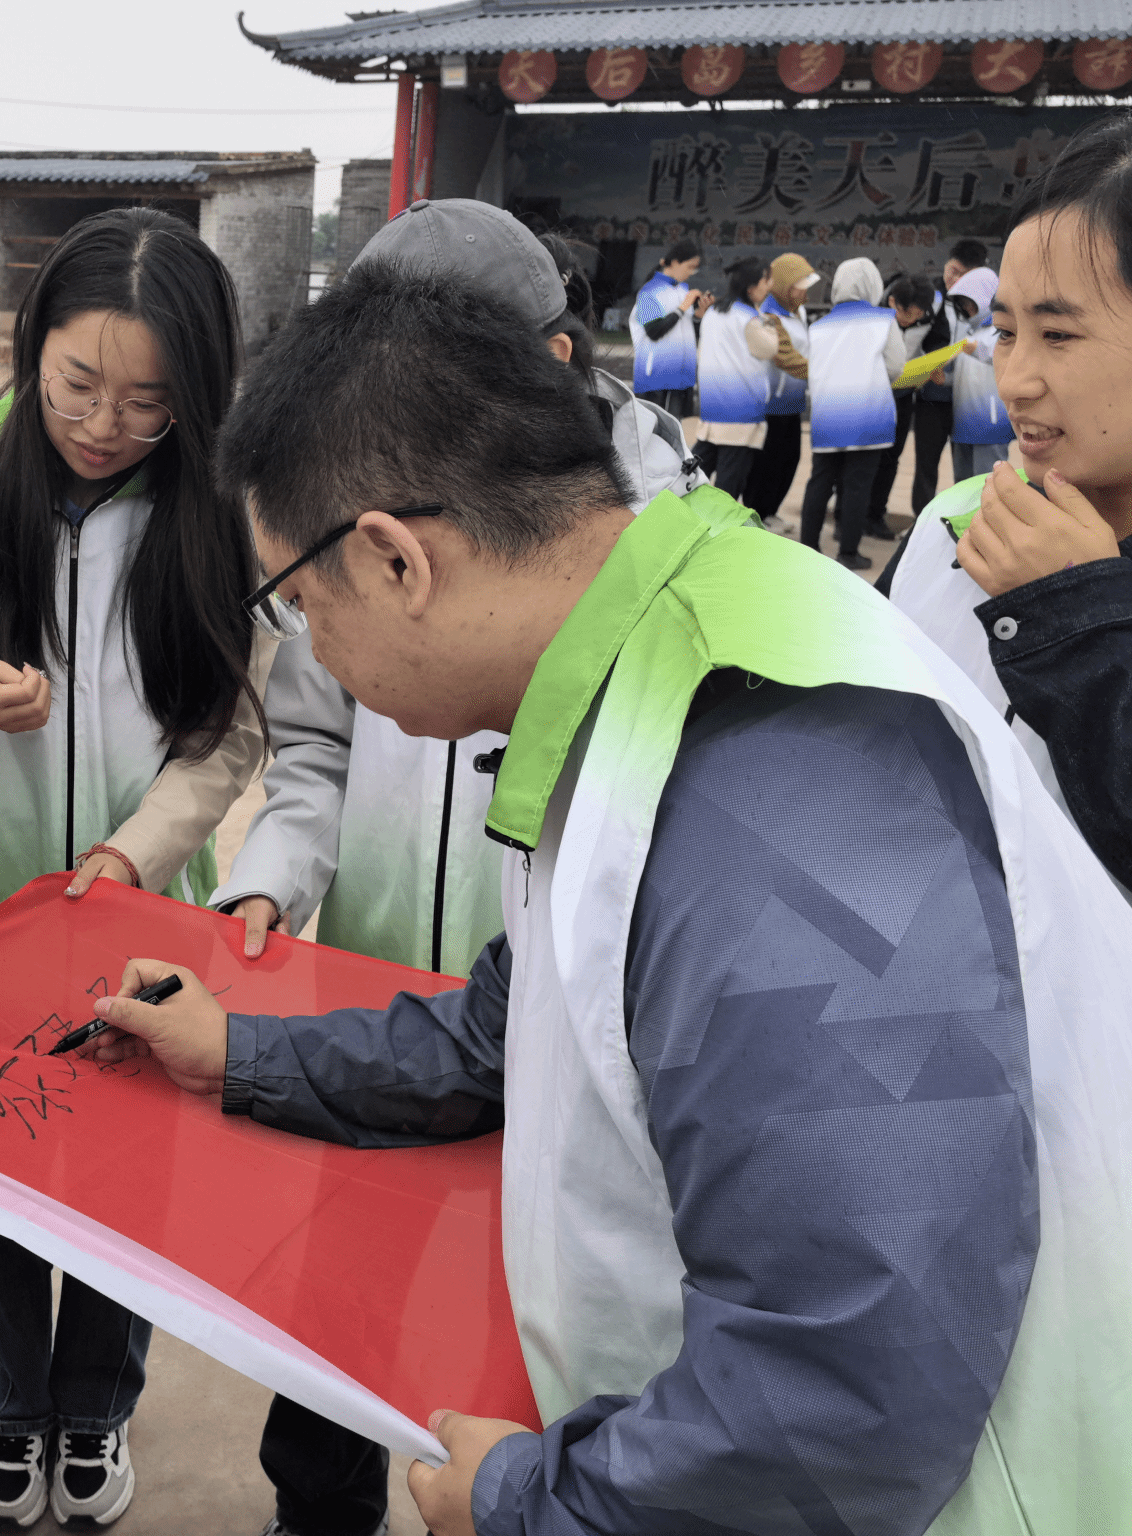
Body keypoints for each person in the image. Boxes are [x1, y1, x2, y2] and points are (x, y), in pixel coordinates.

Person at [76, 261, 1132, 1536]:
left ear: (395, 559)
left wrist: (529, 1503)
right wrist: (240, 1051)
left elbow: (849, 1392)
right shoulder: (644, 656)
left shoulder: (766, 769)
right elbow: (521, 1017)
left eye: (302, 605)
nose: (314, 648)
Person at [209, 199, 696, 1536]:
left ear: (548, 365)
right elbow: (311, 751)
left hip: (545, 1038)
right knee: (332, 1316)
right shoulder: (342, 512)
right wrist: (267, 880)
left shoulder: (666, 560)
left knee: (523, 1334)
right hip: (373, 1014)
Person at [0, 206, 270, 1530]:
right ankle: (13, 1412)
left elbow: (229, 729)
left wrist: (138, 852)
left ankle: (94, 1411)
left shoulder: (224, 507)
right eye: (78, 382)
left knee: (126, 1172)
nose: (103, 424)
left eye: (148, 401)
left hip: (137, 911)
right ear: (33, 348)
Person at [891, 108, 1132, 933]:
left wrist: (1080, 625)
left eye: (1059, 333)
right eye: (1006, 331)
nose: (1014, 379)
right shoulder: (951, 523)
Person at [798, 256, 906, 569]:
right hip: (868, 415)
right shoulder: (883, 320)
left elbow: (812, 367)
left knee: (820, 481)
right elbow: (896, 365)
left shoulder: (818, 326)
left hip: (828, 415)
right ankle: (848, 553)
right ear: (873, 285)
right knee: (858, 485)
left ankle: (808, 547)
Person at [744, 252, 820, 524]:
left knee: (789, 459)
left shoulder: (798, 312)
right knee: (766, 462)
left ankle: (771, 511)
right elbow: (784, 357)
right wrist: (824, 373)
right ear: (785, 285)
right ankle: (757, 513)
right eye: (800, 286)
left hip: (793, 401)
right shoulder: (768, 315)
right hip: (770, 403)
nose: (805, 293)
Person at [693, 256, 777, 504]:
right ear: (751, 286)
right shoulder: (750, 319)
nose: (769, 286)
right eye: (766, 280)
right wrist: (769, 322)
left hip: (712, 409)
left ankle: (673, 518)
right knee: (728, 487)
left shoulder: (713, 313)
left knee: (693, 477)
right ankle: (717, 527)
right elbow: (770, 348)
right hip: (740, 414)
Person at [866, 272, 937, 537]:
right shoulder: (874, 316)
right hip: (872, 395)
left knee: (890, 459)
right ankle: (848, 516)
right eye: (907, 314)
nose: (911, 320)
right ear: (893, 301)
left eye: (917, 315)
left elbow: (937, 344)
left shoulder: (929, 317)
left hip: (904, 395)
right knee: (863, 458)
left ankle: (875, 515)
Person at [626, 239, 709, 414]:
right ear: (675, 262)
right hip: (655, 377)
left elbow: (687, 334)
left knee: (680, 427)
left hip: (683, 378)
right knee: (654, 427)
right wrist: (683, 307)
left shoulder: (682, 290)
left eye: (695, 268)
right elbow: (654, 331)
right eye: (690, 267)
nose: (691, 273)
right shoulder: (649, 291)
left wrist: (699, 315)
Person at [947, 265, 1014, 480]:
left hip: (990, 422)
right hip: (963, 423)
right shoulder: (969, 331)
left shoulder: (1002, 330)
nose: (967, 309)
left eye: (970, 302)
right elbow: (965, 376)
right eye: (963, 304)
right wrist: (945, 379)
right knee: (963, 485)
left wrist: (977, 349)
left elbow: (1003, 358)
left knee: (988, 482)